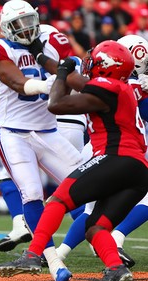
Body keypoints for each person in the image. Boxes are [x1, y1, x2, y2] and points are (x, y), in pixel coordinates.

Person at [0, 40, 148, 281]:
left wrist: (61, 76)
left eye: (95, 60)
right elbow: (78, 80)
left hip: (116, 157)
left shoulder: (107, 87)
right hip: (138, 171)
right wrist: (44, 59)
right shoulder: (120, 87)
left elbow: (55, 104)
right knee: (96, 228)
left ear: (106, 66)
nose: (89, 63)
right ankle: (116, 268)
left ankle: (33, 255)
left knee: (58, 199)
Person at [0, 1, 83, 280]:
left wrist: (60, 72)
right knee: (32, 193)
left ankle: (110, 246)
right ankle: (51, 260)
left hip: (48, 131)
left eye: (29, 21)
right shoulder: (0, 46)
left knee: (85, 185)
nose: (25, 29)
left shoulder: (52, 36)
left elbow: (73, 72)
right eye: (17, 25)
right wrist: (47, 84)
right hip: (14, 132)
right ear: (5, 28)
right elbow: (13, 80)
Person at [55, 34, 148, 269]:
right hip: (121, 151)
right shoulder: (130, 88)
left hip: (96, 147)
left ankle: (59, 253)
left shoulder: (103, 83)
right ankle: (116, 237)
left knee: (88, 209)